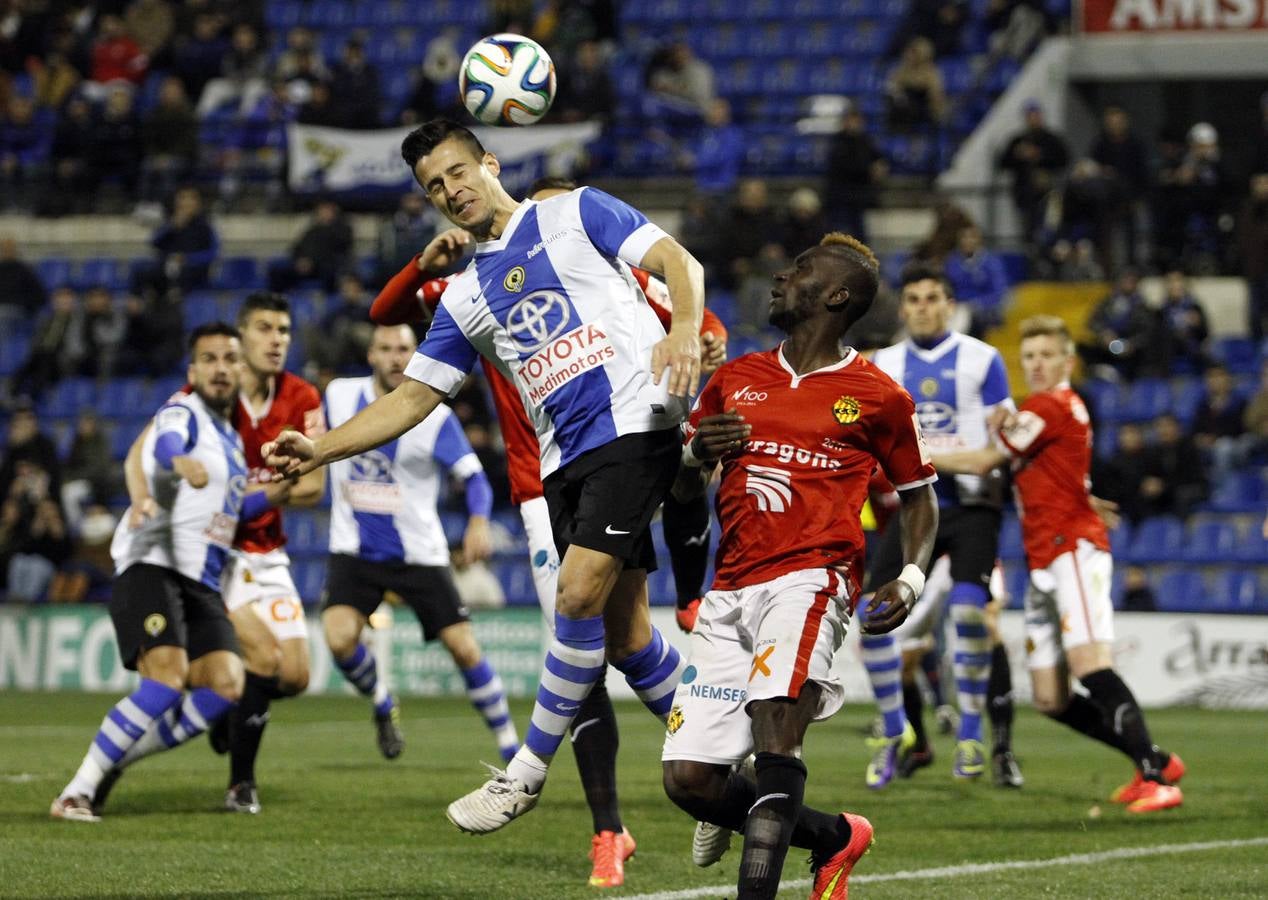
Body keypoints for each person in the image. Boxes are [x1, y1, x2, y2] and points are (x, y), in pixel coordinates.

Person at [263, 118, 704, 836]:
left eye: (458, 173)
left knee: (576, 594)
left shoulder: (576, 209)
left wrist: (683, 327)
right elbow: (410, 397)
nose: (450, 191)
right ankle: (723, 767)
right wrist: (318, 450)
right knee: (627, 639)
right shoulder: (465, 294)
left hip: (635, 424)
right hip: (565, 461)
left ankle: (524, 773)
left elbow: (680, 262)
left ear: (489, 163)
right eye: (434, 186)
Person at [365, 174, 725, 887]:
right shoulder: (476, 288)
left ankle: (550, 789)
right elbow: (388, 313)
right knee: (620, 643)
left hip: (614, 457)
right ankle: (693, 780)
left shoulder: (605, 273)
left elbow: (694, 312)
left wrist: (699, 338)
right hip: (545, 486)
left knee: (578, 622)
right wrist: (421, 266)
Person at [660, 233, 939, 898]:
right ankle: (836, 838)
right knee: (690, 781)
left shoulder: (878, 395)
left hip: (813, 579)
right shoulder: (734, 380)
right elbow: (677, 489)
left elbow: (921, 500)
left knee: (777, 728)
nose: (781, 275)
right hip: (730, 587)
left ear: (836, 296)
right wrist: (696, 455)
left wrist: (909, 577)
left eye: (801, 270)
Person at [933, 315, 1185, 814]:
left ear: (1067, 361)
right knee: (1050, 697)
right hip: (1043, 557)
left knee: (1091, 663)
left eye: (1048, 355)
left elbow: (985, 463)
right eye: (1029, 357)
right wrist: (1086, 496)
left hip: (1072, 550)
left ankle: (1158, 779)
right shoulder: (1048, 410)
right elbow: (1057, 472)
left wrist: (915, 450)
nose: (1038, 364)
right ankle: (1151, 757)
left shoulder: (1051, 405)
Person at [121, 293, 327, 815]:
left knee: (296, 676)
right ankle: (241, 783)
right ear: (241, 339)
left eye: (284, 329)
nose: (277, 339)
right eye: (265, 329)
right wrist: (143, 497)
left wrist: (249, 493)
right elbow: (138, 453)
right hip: (216, 553)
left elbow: (314, 487)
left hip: (269, 552)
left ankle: (222, 711)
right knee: (262, 657)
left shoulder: (301, 397)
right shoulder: (207, 397)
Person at [49, 323, 248, 822]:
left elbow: (228, 507)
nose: (220, 368)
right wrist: (179, 462)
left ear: (241, 369)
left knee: (225, 685)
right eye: (209, 359)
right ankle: (76, 792)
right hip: (153, 564)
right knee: (165, 680)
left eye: (229, 358)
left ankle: (115, 761)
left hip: (199, 581)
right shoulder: (184, 412)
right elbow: (164, 446)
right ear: (193, 370)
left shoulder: (234, 443)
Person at [322, 324, 519, 764]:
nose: (395, 358)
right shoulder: (337, 395)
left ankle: (511, 746)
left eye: (404, 350)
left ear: (416, 356)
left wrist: (478, 522)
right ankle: (380, 699)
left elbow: (475, 481)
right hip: (353, 550)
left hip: (419, 554)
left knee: (464, 648)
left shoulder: (435, 414)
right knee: (338, 640)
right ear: (370, 355)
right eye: (385, 349)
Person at [860, 263, 1021, 788]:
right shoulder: (885, 363)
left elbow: (998, 451)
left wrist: (925, 455)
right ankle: (895, 731)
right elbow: (875, 445)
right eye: (913, 299)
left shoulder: (983, 358)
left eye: (932, 298)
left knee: (972, 615)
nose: (923, 307)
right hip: (913, 509)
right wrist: (954, 457)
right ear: (902, 308)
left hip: (974, 510)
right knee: (872, 615)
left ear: (949, 304)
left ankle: (972, 733)